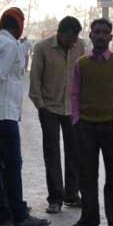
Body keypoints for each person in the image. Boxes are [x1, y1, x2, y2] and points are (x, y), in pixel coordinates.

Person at [0, 7, 49, 226]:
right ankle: (19, 214)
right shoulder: (10, 45)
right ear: (18, 27)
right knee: (13, 164)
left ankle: (4, 211)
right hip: (4, 114)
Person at [69, 18, 113, 226]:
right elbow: (75, 95)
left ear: (110, 37)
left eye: (104, 32)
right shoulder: (81, 64)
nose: (100, 35)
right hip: (86, 128)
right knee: (87, 175)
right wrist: (76, 120)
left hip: (111, 127)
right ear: (90, 36)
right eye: (96, 31)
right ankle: (89, 218)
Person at [29, 16, 85, 215]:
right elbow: (35, 79)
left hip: (72, 109)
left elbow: (83, 76)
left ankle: (72, 194)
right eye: (71, 37)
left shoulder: (80, 47)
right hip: (49, 109)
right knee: (52, 153)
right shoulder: (42, 48)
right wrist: (40, 106)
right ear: (61, 33)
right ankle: (55, 198)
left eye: (77, 37)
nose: (74, 41)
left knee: (74, 152)